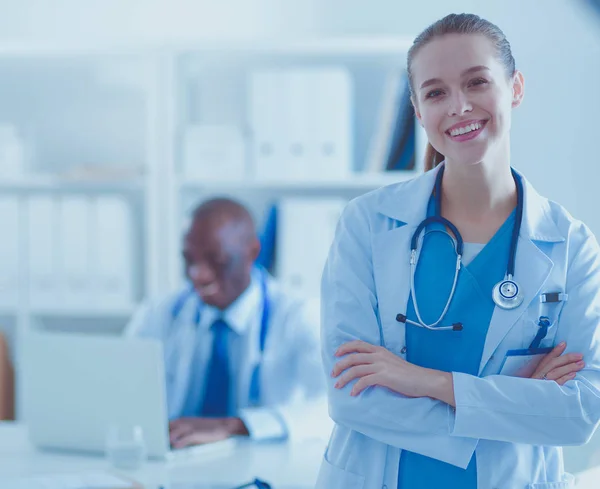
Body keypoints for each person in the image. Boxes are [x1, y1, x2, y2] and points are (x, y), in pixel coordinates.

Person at [318, 13, 600, 489]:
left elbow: (579, 412)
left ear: (515, 88)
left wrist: (423, 380)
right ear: (417, 107)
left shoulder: (570, 245)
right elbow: (351, 393)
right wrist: (513, 404)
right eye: (435, 92)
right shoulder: (367, 224)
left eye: (477, 82)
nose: (459, 106)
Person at [125, 197, 328, 448]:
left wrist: (234, 426)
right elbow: (119, 389)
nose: (199, 274)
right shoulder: (160, 313)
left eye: (217, 260)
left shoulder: (298, 316)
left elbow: (334, 409)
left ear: (252, 252)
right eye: (189, 260)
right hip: (176, 458)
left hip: (261, 466)